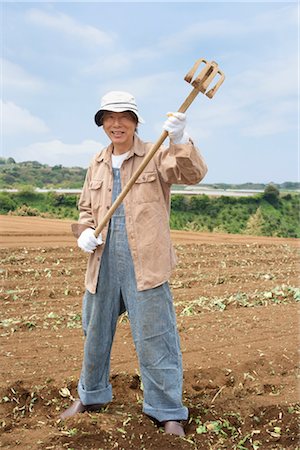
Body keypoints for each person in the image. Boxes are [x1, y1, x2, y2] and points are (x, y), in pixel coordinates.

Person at [60, 90, 208, 436]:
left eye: (123, 116)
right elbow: (85, 210)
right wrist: (82, 233)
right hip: (103, 261)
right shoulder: (96, 161)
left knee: (156, 336)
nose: (116, 123)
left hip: (146, 261)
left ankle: (167, 410)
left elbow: (192, 173)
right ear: (101, 123)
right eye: (108, 117)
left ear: (135, 121)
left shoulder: (156, 154)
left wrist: (180, 139)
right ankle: (91, 395)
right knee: (94, 332)